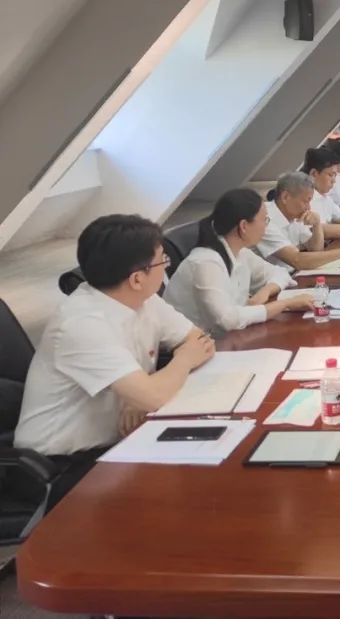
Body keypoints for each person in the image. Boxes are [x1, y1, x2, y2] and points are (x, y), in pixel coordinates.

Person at [14, 214, 216, 507]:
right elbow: (158, 391)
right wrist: (177, 366)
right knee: (187, 497)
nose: (166, 266)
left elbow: (199, 340)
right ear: (137, 278)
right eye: (162, 261)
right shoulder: (81, 324)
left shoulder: (144, 300)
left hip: (120, 442)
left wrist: (139, 396)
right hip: (64, 468)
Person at [165, 190, 316, 335]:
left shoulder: (241, 252)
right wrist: (285, 304)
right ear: (244, 226)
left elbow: (280, 273)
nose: (266, 226)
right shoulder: (206, 262)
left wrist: (266, 291)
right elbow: (227, 320)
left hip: (231, 338)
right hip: (200, 345)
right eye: (264, 220)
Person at [256, 172, 340, 271]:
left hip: (292, 275)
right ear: (285, 197)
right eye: (306, 201)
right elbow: (297, 260)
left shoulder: (295, 215)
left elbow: (315, 249)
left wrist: (317, 225)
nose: (309, 207)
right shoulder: (264, 219)